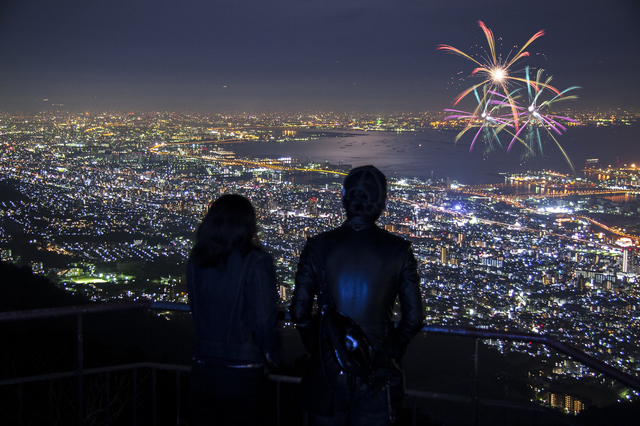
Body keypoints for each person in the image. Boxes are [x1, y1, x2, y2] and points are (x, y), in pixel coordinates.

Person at [290, 165, 424, 425]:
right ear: (382, 203)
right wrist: (390, 351)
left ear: (344, 198)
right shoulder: (399, 251)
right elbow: (414, 317)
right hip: (376, 375)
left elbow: (299, 312)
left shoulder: (317, 247)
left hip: (326, 375)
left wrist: (320, 348)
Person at [187, 194, 280, 426]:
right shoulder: (256, 261)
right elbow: (263, 321)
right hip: (243, 372)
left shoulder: (197, 260)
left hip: (202, 368)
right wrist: (272, 355)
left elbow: (196, 309)